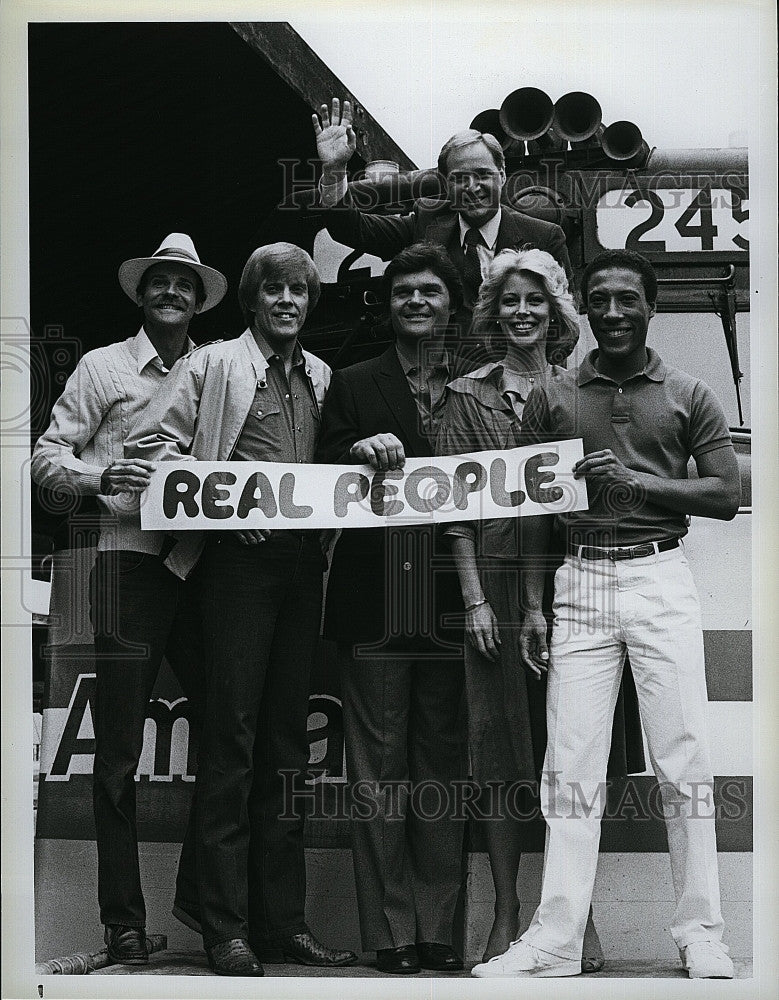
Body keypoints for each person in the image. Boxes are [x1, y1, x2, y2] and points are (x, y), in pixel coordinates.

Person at [472, 249, 741, 979]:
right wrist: (531, 603)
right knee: (570, 765)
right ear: (584, 310)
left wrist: (636, 482)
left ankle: (699, 932)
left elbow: (721, 493)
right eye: (601, 299)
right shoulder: (554, 397)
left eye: (628, 298)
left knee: (682, 756)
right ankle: (555, 941)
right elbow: (533, 507)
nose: (614, 311)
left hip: (659, 572)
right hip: (580, 579)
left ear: (649, 307)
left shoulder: (689, 392)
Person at [126, 243, 357, 976]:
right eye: (274, 290)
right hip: (231, 567)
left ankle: (280, 923)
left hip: (299, 569)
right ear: (252, 301)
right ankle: (223, 927)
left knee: (287, 745)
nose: (287, 300)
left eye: (298, 290)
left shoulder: (321, 374)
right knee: (232, 739)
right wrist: (224, 506)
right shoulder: (213, 362)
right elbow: (149, 450)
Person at [436, 248, 645, 970]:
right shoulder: (465, 395)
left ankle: (571, 913)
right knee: (497, 755)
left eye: (535, 301)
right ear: (493, 314)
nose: (521, 312)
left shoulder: (581, 389)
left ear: (556, 313)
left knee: (577, 755)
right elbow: (455, 512)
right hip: (493, 586)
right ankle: (506, 910)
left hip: (580, 580)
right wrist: (472, 600)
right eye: (509, 302)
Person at [31, 233, 227, 965]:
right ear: (142, 293)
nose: (172, 292)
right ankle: (122, 925)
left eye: (185, 284)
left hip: (199, 566)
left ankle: (201, 905)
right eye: (161, 282)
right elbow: (46, 455)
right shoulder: (102, 366)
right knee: (116, 753)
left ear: (199, 298)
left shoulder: (219, 368)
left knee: (229, 740)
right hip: (124, 562)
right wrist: (97, 480)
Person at [315, 243, 469, 975]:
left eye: (429, 291)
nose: (415, 300)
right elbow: (313, 471)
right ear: (386, 304)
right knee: (378, 771)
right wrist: (353, 448)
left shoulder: (476, 384)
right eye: (402, 290)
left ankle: (438, 928)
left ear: (450, 304)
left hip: (451, 592)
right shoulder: (351, 382)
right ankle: (391, 935)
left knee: (439, 765)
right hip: (375, 587)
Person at [312, 97, 573, 354]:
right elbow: (352, 228)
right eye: (460, 178)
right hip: (443, 384)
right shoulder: (425, 223)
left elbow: (563, 323)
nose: (473, 187)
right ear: (445, 184)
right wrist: (334, 170)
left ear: (502, 176)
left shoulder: (545, 237)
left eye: (483, 175)